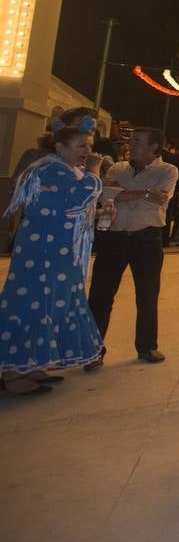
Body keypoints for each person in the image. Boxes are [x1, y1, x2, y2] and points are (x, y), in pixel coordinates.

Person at [1, 116, 111, 394]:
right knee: (34, 304)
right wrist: (94, 171)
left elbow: (65, 210)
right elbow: (76, 198)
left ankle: (31, 366)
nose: (87, 152)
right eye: (81, 146)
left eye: (89, 146)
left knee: (47, 305)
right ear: (60, 146)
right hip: (45, 254)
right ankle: (14, 376)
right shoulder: (52, 169)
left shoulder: (57, 168)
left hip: (55, 252)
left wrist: (97, 214)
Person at [85, 127, 177, 368]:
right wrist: (146, 193)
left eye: (137, 141)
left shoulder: (167, 170)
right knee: (100, 295)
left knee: (147, 295)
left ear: (153, 146)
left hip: (147, 238)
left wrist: (121, 192)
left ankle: (147, 346)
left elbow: (161, 198)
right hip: (114, 236)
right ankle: (93, 350)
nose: (131, 144)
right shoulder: (118, 168)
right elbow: (105, 195)